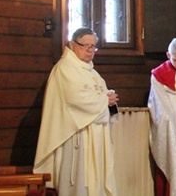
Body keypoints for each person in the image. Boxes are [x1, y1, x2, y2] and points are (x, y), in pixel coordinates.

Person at [34, 28, 119, 195]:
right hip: (76, 136)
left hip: (94, 136)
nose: (89, 50)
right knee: (79, 184)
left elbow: (98, 96)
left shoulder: (91, 72)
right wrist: (104, 100)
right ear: (72, 45)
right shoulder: (65, 68)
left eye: (93, 46)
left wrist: (109, 99)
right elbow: (75, 101)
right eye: (85, 45)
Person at [148, 37, 176, 196]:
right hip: (169, 130)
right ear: (168, 55)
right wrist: (170, 124)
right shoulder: (158, 75)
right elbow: (158, 104)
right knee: (169, 167)